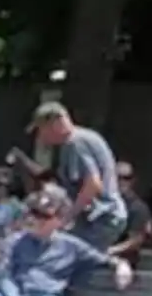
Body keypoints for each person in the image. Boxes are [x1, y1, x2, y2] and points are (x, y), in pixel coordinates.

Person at [0, 185, 132, 296]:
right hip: (11, 295)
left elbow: (102, 259)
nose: (35, 220)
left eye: (44, 216)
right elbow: (3, 275)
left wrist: (120, 265)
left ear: (59, 220)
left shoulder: (71, 246)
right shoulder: (13, 241)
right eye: (33, 213)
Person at [29, 101, 127, 249]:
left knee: (67, 257)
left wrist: (68, 217)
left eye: (42, 130)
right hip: (102, 217)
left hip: (100, 218)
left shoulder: (75, 143)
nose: (41, 137)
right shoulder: (83, 138)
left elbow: (93, 184)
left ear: (56, 123)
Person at [111, 160, 152, 268]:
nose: (121, 182)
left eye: (126, 178)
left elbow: (135, 241)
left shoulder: (138, 208)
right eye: (117, 177)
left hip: (125, 264)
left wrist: (109, 250)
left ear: (133, 180)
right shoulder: (102, 203)